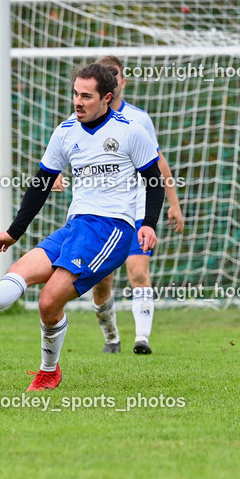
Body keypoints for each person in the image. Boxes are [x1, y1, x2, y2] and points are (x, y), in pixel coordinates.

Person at [0, 63, 164, 391]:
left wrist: (148, 224)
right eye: (75, 93)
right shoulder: (65, 132)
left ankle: (49, 370)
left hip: (112, 229)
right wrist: (13, 231)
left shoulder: (130, 130)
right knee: (19, 272)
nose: (78, 101)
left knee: (49, 301)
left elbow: (154, 180)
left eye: (86, 96)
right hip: (76, 225)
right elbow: (40, 184)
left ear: (107, 98)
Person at [74, 56, 183, 355]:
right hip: (102, 213)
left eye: (115, 74)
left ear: (122, 82)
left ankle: (142, 339)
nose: (111, 77)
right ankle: (111, 337)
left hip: (137, 209)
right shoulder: (80, 119)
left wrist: (173, 204)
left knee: (138, 270)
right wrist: (55, 175)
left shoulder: (138, 119)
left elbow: (158, 164)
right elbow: (64, 153)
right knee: (102, 280)